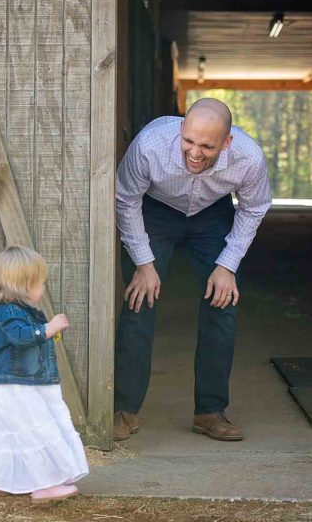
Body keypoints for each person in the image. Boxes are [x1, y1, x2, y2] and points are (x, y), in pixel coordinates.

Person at [113, 98, 271, 442]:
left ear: (227, 142)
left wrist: (227, 266)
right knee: (140, 300)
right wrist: (144, 263)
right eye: (188, 141)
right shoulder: (150, 145)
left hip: (213, 213)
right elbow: (125, 199)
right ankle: (123, 409)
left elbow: (254, 207)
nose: (195, 153)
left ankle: (210, 412)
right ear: (181, 129)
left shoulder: (248, 157)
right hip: (155, 208)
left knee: (222, 302)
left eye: (206, 146)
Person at [0, 246, 89, 502]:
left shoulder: (19, 312)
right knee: (35, 430)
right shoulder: (10, 313)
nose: (43, 288)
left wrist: (45, 331)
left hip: (14, 386)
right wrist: (48, 329)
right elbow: (22, 337)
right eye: (40, 282)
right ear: (25, 285)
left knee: (8, 435)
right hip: (14, 388)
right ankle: (45, 485)